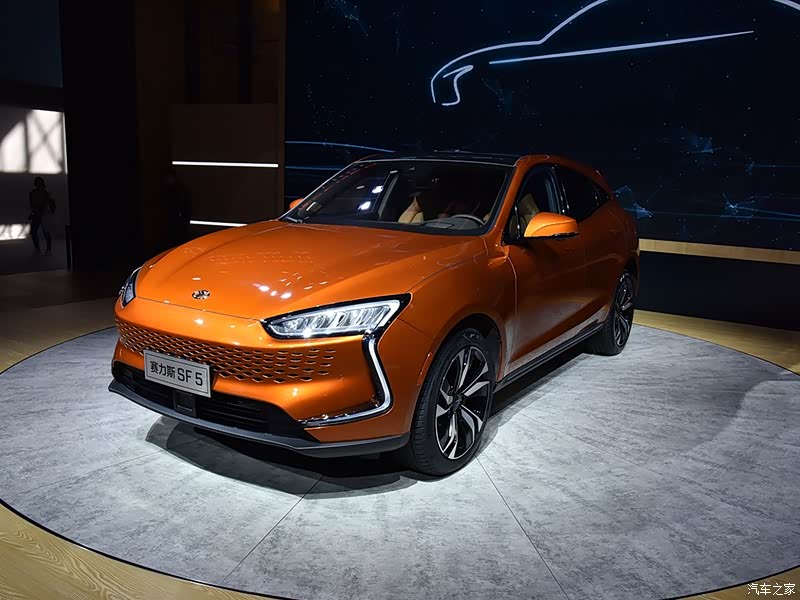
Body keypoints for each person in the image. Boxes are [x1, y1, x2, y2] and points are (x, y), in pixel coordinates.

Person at [163, 168, 191, 247]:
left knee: (178, 238)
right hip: (178, 218)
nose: (167, 180)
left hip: (178, 219)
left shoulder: (177, 190)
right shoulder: (177, 189)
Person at [29, 176, 55, 255]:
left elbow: (50, 204)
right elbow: (32, 204)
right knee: (33, 232)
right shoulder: (33, 193)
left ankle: (48, 249)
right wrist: (34, 212)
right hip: (37, 214)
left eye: (39, 182)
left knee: (46, 232)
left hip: (44, 215)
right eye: (37, 182)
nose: (38, 184)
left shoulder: (46, 193)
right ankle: (38, 249)